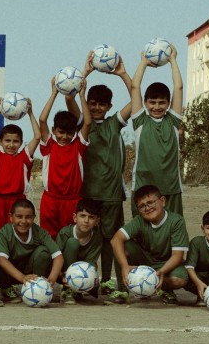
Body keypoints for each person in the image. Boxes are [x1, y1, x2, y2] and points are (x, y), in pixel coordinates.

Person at [80, 52, 133, 295]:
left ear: (109, 106)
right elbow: (70, 95)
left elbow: (136, 99)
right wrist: (85, 73)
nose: (97, 107)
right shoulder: (83, 124)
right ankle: (89, 280)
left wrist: (122, 73)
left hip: (111, 194)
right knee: (90, 239)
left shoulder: (115, 123)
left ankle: (111, 280)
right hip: (89, 193)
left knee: (111, 239)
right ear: (88, 102)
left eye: (102, 104)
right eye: (93, 102)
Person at [108, 185, 189, 305]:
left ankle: (164, 290)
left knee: (180, 279)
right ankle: (123, 290)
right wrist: (125, 266)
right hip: (145, 261)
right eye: (142, 206)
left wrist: (161, 272)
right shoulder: (139, 220)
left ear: (162, 201)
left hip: (166, 264)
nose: (147, 208)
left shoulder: (176, 221)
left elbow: (177, 255)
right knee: (121, 245)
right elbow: (115, 239)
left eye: (150, 202)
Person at [129, 44, 184, 215]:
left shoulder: (173, 121)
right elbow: (135, 87)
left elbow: (178, 88)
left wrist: (173, 60)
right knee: (142, 235)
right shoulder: (140, 121)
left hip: (170, 187)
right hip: (143, 187)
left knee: (173, 231)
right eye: (152, 102)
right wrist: (143, 63)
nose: (157, 106)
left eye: (162, 103)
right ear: (145, 103)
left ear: (168, 104)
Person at [37, 75, 90, 238]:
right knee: (49, 238)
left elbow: (87, 123)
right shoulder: (49, 145)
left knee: (70, 239)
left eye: (69, 133)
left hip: (72, 201)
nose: (65, 136)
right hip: (51, 200)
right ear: (54, 130)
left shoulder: (78, 146)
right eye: (61, 132)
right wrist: (54, 93)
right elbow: (42, 119)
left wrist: (82, 95)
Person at [0, 96, 40, 238]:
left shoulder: (24, 157)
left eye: (15, 141)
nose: (11, 145)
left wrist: (30, 113)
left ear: (21, 143)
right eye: (7, 141)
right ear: (0, 142)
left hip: (18, 202)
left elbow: (37, 136)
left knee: (17, 236)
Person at [0, 198, 63, 304]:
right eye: (19, 217)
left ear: (34, 218)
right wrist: (22, 278)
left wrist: (51, 280)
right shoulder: (4, 233)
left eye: (28, 217)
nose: (23, 221)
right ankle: (7, 289)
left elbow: (58, 256)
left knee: (43, 252)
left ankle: (37, 290)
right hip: (11, 275)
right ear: (11, 217)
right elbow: (2, 260)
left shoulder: (39, 232)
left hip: (31, 274)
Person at [56, 198, 103, 304]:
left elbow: (91, 263)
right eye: (82, 216)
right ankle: (67, 290)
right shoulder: (65, 233)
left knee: (94, 281)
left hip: (81, 272)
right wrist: (61, 274)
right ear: (74, 217)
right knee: (73, 242)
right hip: (62, 273)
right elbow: (56, 258)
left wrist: (91, 278)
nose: (86, 221)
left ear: (97, 221)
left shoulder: (97, 238)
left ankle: (77, 290)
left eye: (91, 217)